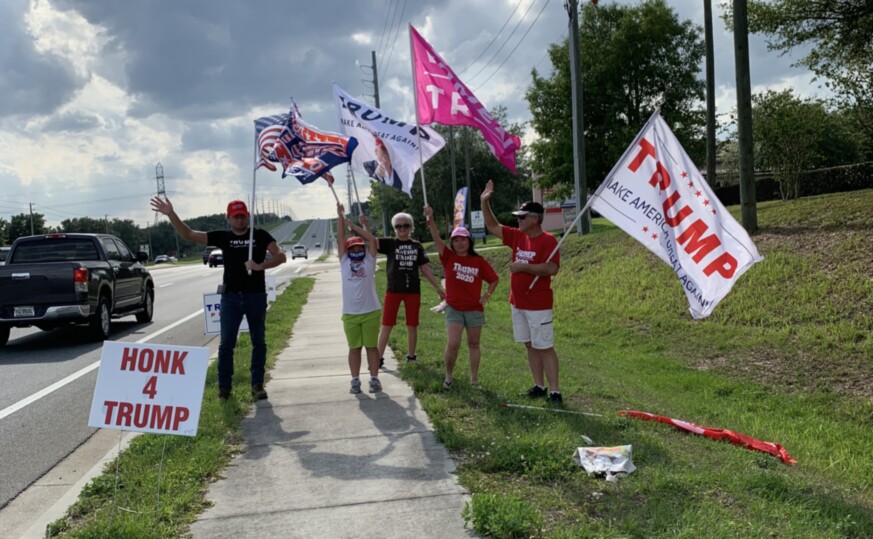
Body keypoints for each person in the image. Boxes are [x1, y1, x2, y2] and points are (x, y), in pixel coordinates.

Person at [150, 196, 286, 401]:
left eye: (243, 216)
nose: (239, 220)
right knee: (226, 345)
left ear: (248, 216)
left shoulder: (260, 235)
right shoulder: (222, 237)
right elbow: (188, 234)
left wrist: (260, 266)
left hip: (255, 296)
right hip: (230, 298)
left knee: (259, 341)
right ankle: (224, 388)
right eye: (235, 217)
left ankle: (257, 384)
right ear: (228, 218)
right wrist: (171, 214)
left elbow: (281, 255)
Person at [480, 180, 563, 403]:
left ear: (535, 219)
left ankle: (555, 391)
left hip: (538, 304)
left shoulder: (548, 240)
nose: (518, 220)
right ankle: (539, 386)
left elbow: (552, 269)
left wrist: (524, 267)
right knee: (529, 344)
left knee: (544, 346)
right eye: (518, 217)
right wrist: (484, 202)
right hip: (517, 302)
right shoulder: (518, 236)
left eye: (522, 217)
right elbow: (492, 226)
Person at [424, 205, 499, 390]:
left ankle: (474, 380)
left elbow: (494, 279)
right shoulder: (448, 257)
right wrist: (430, 219)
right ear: (452, 243)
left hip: (474, 309)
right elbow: (436, 237)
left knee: (474, 344)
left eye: (463, 240)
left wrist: (486, 295)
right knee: (454, 343)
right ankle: (448, 377)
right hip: (454, 308)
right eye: (456, 240)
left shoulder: (478, 261)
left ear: (469, 241)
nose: (459, 243)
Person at [375, 212, 445, 368]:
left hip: (413, 290)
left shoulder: (417, 246)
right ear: (394, 228)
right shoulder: (390, 243)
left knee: (412, 324)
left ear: (411, 227)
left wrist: (438, 288)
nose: (402, 229)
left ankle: (411, 357)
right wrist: (363, 224)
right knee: (387, 324)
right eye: (398, 226)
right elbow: (371, 241)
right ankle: (378, 358)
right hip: (393, 290)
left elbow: (425, 268)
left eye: (405, 225)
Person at [336, 203, 383, 394]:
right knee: (354, 348)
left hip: (370, 311)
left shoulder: (369, 262)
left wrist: (354, 226)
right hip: (350, 314)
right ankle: (355, 380)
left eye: (359, 248)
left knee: (371, 346)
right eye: (352, 249)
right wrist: (340, 216)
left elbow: (372, 240)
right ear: (347, 251)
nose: (356, 252)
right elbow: (340, 239)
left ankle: (374, 378)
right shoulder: (344, 262)